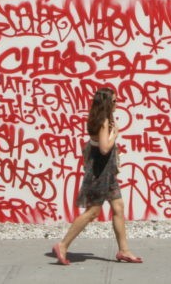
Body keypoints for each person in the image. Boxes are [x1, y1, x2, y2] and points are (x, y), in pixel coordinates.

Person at [52, 87, 143, 265]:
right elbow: (104, 148)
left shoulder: (98, 118)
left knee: (118, 207)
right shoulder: (103, 121)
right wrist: (114, 134)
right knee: (92, 212)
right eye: (115, 101)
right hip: (100, 173)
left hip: (106, 171)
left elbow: (92, 145)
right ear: (107, 103)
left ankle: (124, 250)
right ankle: (62, 245)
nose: (117, 103)